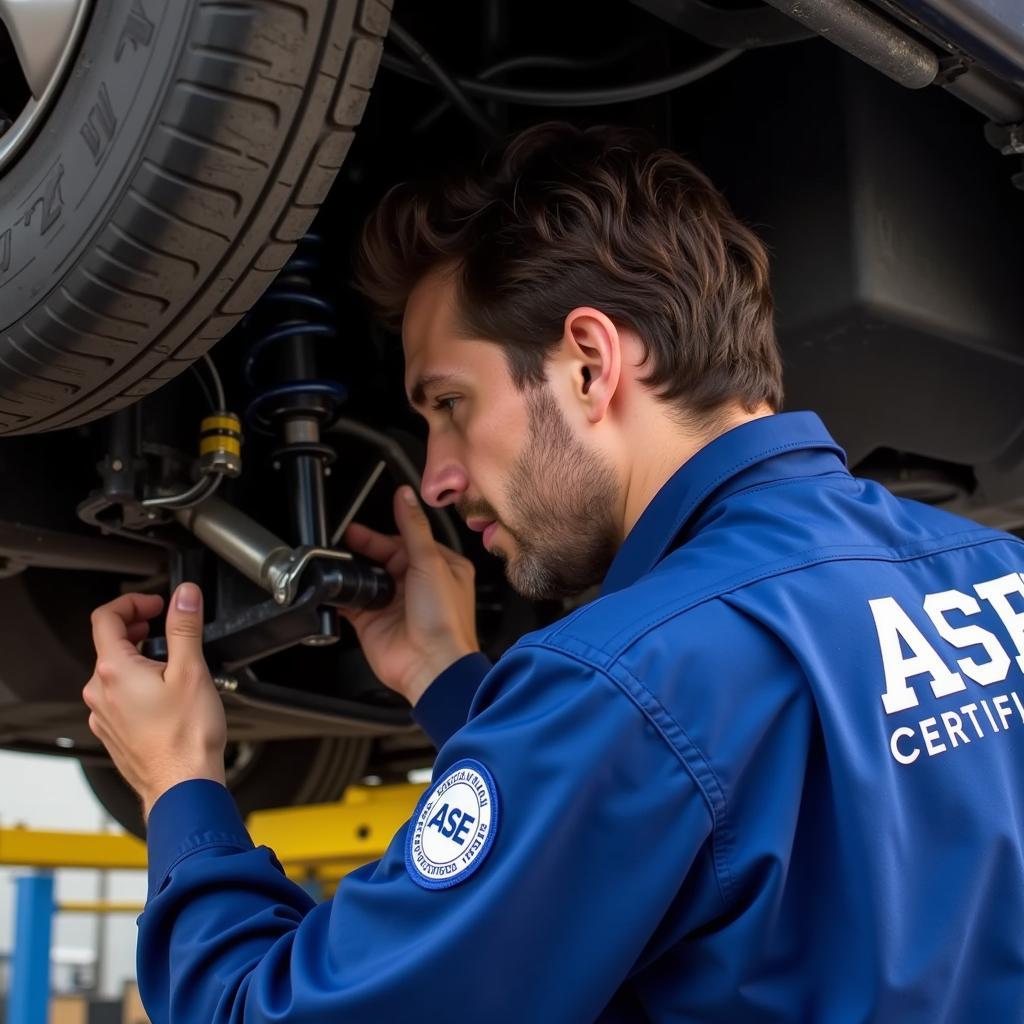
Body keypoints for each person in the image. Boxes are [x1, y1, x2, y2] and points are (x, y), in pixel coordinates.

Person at [83, 122, 1024, 1022]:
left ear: (587, 361)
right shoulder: (998, 574)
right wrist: (454, 683)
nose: (439, 476)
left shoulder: (624, 682)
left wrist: (179, 783)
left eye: (449, 403)